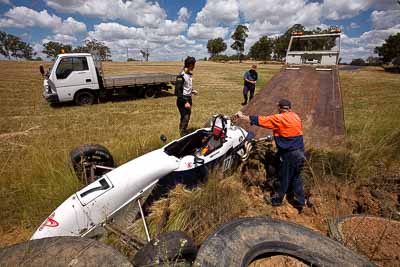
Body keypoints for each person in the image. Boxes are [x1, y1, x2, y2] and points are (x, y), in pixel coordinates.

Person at [236, 99, 305, 211]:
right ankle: (300, 201)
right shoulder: (296, 116)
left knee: (284, 177)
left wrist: (242, 116)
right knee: (296, 177)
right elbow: (289, 131)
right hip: (300, 152)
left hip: (289, 154)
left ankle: (277, 200)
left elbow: (261, 120)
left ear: (279, 107)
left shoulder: (279, 118)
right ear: (289, 108)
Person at [176, 56, 198, 136]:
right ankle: (182, 134)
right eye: (194, 65)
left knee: (186, 117)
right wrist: (185, 102)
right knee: (185, 117)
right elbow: (177, 91)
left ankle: (182, 132)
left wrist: (192, 91)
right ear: (190, 65)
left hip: (188, 98)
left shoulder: (189, 74)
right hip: (183, 100)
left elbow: (185, 87)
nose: (194, 67)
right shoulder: (181, 75)